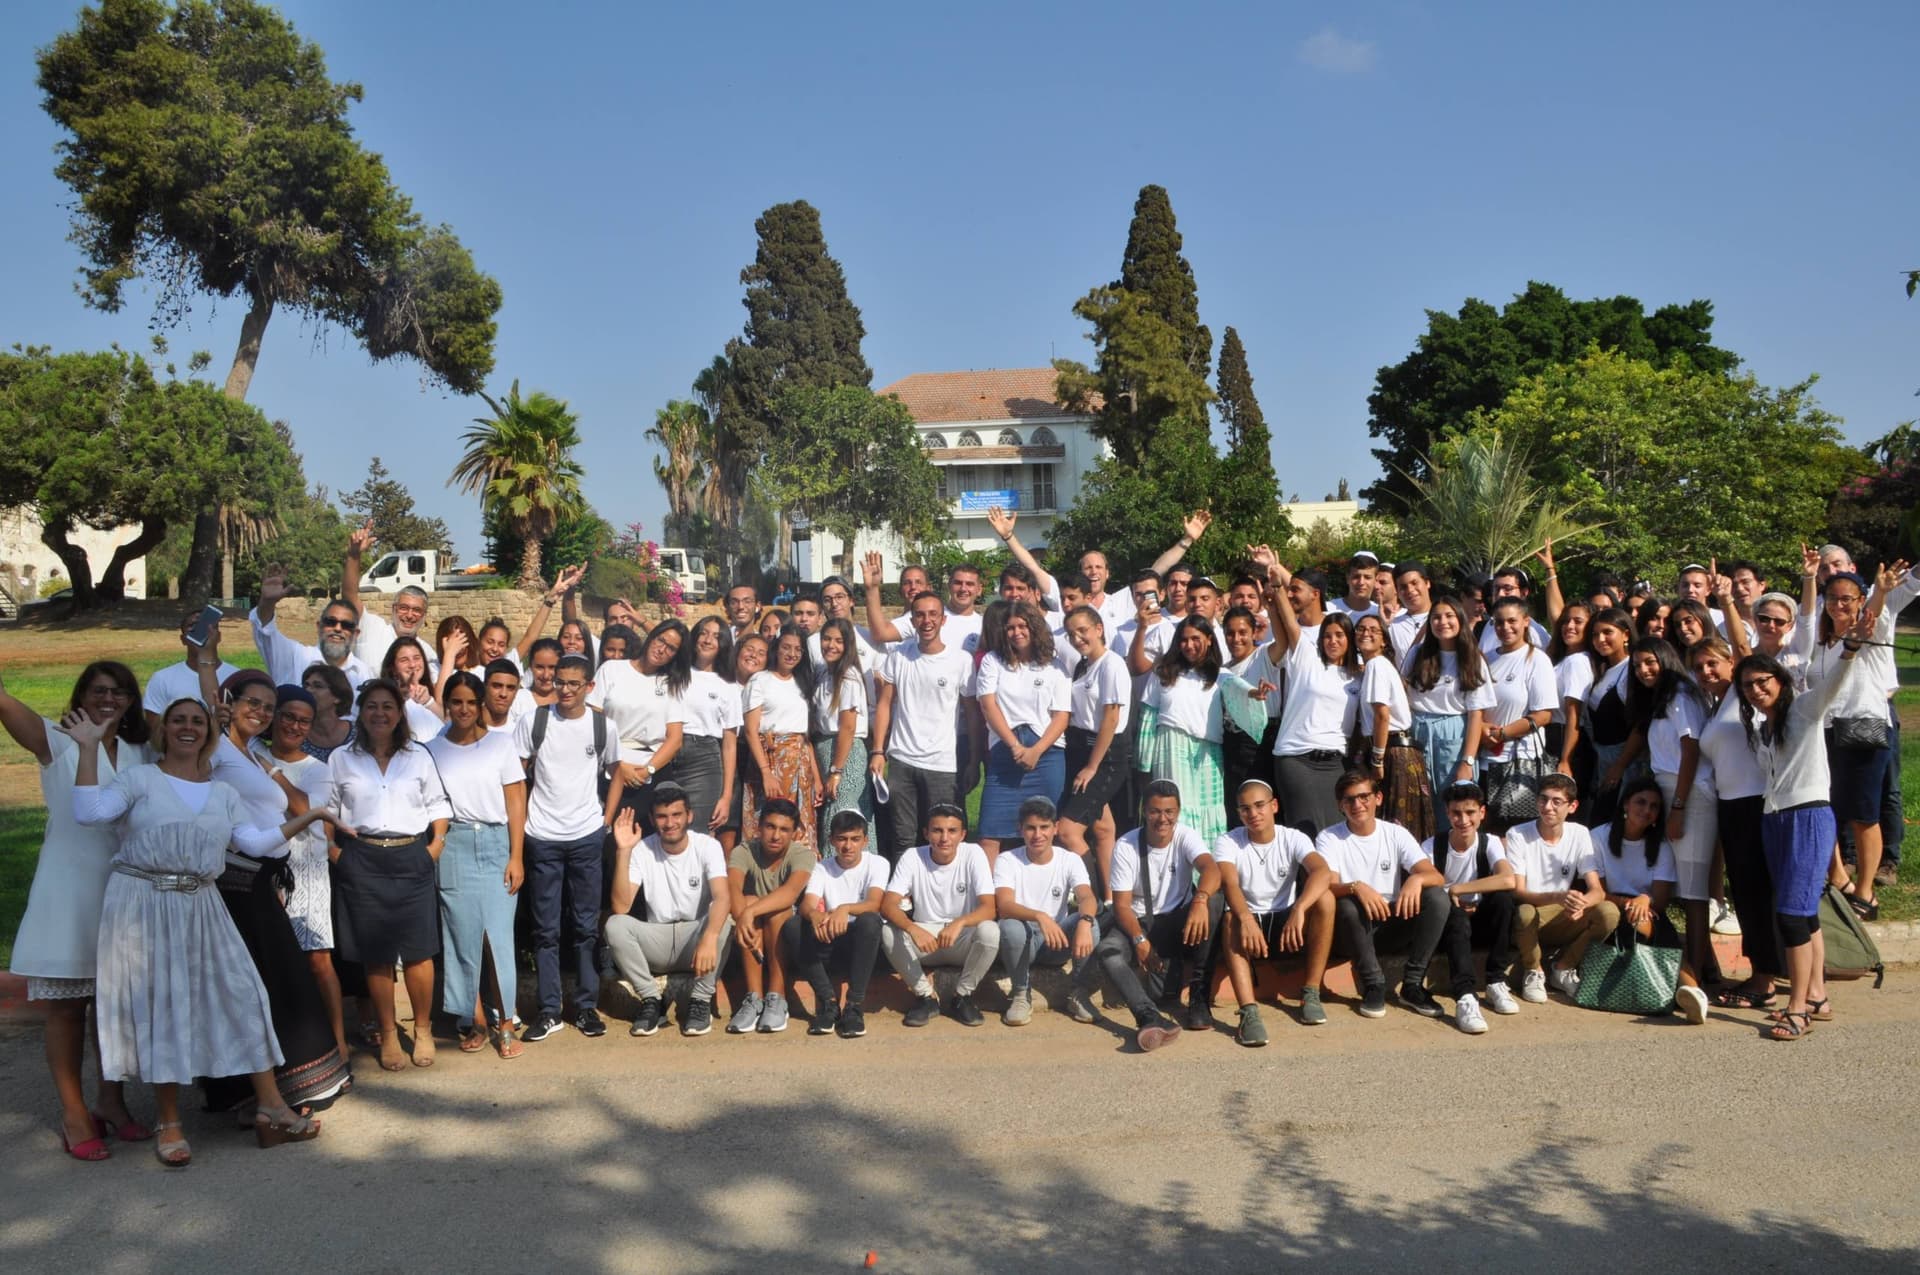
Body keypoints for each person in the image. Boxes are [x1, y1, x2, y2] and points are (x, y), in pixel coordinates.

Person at [71, 698, 335, 1164]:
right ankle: (168, 1122)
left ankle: (271, 1106)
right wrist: (89, 749)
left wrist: (309, 818)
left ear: (209, 732)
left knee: (245, 993)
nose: (187, 728)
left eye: (197, 721)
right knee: (164, 1006)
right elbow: (90, 813)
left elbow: (252, 842)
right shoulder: (140, 779)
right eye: (178, 720)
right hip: (144, 902)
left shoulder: (222, 793)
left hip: (202, 902)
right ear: (165, 729)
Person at [2, 662, 153, 1160]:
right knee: (67, 1008)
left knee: (115, 1010)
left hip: (125, 891)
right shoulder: (56, 739)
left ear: (132, 701)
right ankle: (73, 1114)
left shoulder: (140, 752)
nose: (110, 699)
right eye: (99, 691)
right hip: (68, 890)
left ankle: (112, 1102)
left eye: (120, 693)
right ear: (82, 695)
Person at [201, 666, 351, 1112]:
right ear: (231, 703)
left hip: (265, 878)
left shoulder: (250, 754)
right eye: (255, 704)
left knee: (275, 984)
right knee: (261, 985)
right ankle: (254, 1093)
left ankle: (273, 1088)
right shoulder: (218, 750)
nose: (262, 714)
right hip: (236, 879)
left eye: (267, 707)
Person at [1735, 607, 1873, 1040]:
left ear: (1781, 681)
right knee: (1803, 914)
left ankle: (1797, 1009)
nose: (1757, 691)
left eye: (1763, 682)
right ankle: (1816, 997)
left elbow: (1833, 683)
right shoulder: (1763, 730)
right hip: (1775, 819)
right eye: (1748, 687)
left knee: (1792, 916)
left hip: (1807, 817)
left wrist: (1850, 646)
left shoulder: (1805, 712)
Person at [327, 678, 452, 1070]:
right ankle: (386, 1034)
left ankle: (423, 1029)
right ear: (360, 713)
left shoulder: (418, 756)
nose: (380, 713)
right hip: (361, 859)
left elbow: (438, 804)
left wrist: (435, 847)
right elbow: (326, 810)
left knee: (419, 952)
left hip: (410, 855)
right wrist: (335, 854)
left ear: (400, 714)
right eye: (372, 707)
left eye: (388, 707)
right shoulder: (341, 758)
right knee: (376, 956)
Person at [1792, 553, 1916, 918]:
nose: (1839, 605)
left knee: (1863, 814)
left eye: (1848, 598)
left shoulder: (1871, 632)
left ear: (1860, 602)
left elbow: (1873, 616)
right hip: (1824, 734)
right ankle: (1839, 878)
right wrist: (1810, 579)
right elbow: (1807, 617)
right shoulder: (1823, 643)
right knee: (1825, 808)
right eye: (1834, 599)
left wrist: (1880, 592)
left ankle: (1866, 892)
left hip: (1864, 730)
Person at [515, 654, 622, 1043]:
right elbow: (517, 774)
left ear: (589, 686)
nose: (564, 689)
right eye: (559, 682)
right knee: (545, 929)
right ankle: (548, 1011)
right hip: (542, 836)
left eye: (573, 684)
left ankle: (587, 1007)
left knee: (584, 927)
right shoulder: (534, 721)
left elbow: (617, 773)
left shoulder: (601, 726)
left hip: (586, 836)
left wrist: (605, 822)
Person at [423, 672, 528, 1060]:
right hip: (454, 845)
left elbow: (516, 800)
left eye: (471, 701)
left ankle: (506, 1023)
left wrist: (517, 855)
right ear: (447, 704)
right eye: (456, 702)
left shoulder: (501, 745)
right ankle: (475, 1021)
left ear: (481, 703)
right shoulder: (432, 750)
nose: (464, 709)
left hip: (497, 843)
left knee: (497, 939)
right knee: (462, 939)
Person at [1068, 781, 1215, 1045]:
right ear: (1144, 812)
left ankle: (1199, 998)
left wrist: (1200, 900)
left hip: (1177, 920)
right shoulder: (1126, 845)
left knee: (1214, 902)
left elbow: (1211, 868)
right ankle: (1148, 1016)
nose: (1162, 819)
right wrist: (1139, 940)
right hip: (1137, 921)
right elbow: (1122, 906)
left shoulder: (1186, 835)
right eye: (1155, 811)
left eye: (1169, 811)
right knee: (1108, 951)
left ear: (1178, 812)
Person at [253, 686, 347, 1066]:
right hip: (264, 865)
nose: (294, 725)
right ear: (273, 717)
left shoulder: (317, 769)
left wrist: (272, 772)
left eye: (303, 721)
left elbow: (306, 810)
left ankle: (338, 1042)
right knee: (273, 961)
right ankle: (283, 1048)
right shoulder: (248, 754)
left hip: (307, 867)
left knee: (318, 959)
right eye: (287, 716)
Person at [868, 561, 981, 862]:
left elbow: (972, 715)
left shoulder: (960, 661)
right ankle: (903, 898)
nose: (926, 620)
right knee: (903, 835)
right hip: (902, 760)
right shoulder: (900, 657)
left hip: (943, 763)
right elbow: (884, 705)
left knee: (944, 834)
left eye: (933, 614)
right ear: (912, 620)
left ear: (943, 620)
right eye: (920, 615)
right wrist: (878, 751)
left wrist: (973, 759)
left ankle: (946, 895)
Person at [1316, 770, 1451, 1020]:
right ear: (1340, 805)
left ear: (1378, 798)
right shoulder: (1329, 837)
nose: (1358, 805)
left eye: (1364, 796)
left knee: (1436, 897)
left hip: (1392, 921)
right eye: (1349, 800)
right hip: (1352, 929)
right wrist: (1357, 886)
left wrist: (1416, 878)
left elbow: (1436, 876)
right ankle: (1374, 984)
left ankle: (1412, 984)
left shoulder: (1395, 833)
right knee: (1346, 904)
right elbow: (1327, 885)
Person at [1625, 636, 1720, 984]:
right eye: (1637, 665)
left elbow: (1690, 751)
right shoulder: (1663, 697)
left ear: (1666, 659)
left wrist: (1678, 807)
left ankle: (1695, 975)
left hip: (1691, 794)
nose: (1643, 670)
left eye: (1650, 662)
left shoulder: (1680, 695)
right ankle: (1705, 966)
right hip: (1672, 790)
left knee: (1694, 892)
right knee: (1688, 889)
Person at [606, 784, 734, 1038]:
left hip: (695, 940)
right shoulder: (642, 849)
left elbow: (722, 896)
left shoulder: (707, 846)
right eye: (662, 816)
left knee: (723, 919)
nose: (670, 823)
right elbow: (621, 906)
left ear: (689, 816)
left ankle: (700, 1001)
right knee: (615, 924)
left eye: (676, 815)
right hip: (659, 938)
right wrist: (623, 851)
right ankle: (651, 1001)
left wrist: (708, 937)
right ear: (653, 820)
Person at [1215, 780, 1336, 1042]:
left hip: (1286, 925)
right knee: (1229, 918)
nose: (1253, 814)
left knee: (1325, 900)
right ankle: (1248, 1012)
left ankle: (1310, 993)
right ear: (1238, 813)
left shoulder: (1293, 837)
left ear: (1274, 806)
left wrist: (1300, 908)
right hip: (1250, 925)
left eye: (1260, 806)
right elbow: (1229, 882)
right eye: (1245, 809)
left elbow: (1321, 871)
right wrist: (1245, 917)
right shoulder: (1228, 841)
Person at [1693, 636, 1779, 1005]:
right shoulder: (1719, 704)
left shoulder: (1744, 696)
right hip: (1731, 806)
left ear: (1732, 662)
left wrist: (1726, 601)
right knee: (1746, 893)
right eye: (1698, 667)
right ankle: (1766, 972)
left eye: (1713, 663)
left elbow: (1747, 649)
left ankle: (1764, 981)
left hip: (1754, 804)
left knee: (1757, 894)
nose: (1706, 672)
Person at [1137, 613, 1267, 844]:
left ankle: (1210, 873)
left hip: (1208, 752)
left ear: (1208, 639)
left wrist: (1254, 694)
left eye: (1195, 639)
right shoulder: (1163, 673)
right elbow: (1148, 717)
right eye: (1184, 640)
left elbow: (1238, 688)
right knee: (1177, 809)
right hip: (1171, 746)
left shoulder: (1219, 674)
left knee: (1209, 811)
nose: (1189, 645)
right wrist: (1144, 764)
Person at [1256, 548, 1358, 837]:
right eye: (1327, 636)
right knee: (1307, 832)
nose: (1333, 640)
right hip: (1296, 758)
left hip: (1336, 761)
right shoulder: (1305, 655)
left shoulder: (1359, 673)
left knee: (1337, 833)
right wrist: (1276, 583)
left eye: (1340, 635)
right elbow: (1289, 620)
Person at [1588, 777, 1705, 1023]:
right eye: (1640, 802)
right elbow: (1598, 891)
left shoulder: (1661, 845)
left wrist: (1644, 899)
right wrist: (1628, 903)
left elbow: (1660, 900)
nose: (1647, 810)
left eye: (1654, 806)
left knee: (1651, 922)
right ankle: (1691, 989)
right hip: (1608, 906)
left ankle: (1693, 996)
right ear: (1625, 805)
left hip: (1647, 909)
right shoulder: (1598, 836)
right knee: (1640, 921)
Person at [879, 805, 1001, 1027]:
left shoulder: (973, 853)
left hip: (961, 937)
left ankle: (963, 996)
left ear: (963, 834)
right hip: (926, 938)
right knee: (888, 931)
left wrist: (960, 922)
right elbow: (888, 905)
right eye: (937, 830)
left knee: (990, 931)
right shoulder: (912, 856)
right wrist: (913, 928)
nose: (945, 838)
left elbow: (989, 908)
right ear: (926, 833)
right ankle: (926, 997)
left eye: (952, 831)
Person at [975, 600, 1071, 858]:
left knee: (1047, 833)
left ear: (1035, 627)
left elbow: (1062, 716)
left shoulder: (1055, 666)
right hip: (1006, 754)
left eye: (1022, 626)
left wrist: (1036, 751)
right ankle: (988, 898)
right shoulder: (993, 661)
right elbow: (988, 704)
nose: (1016, 632)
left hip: (1047, 756)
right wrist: (1015, 746)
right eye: (1010, 628)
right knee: (989, 835)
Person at [1507, 774, 1613, 1003]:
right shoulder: (1517, 834)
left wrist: (1580, 903)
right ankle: (1533, 970)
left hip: (1562, 915)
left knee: (1608, 912)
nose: (1548, 807)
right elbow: (1518, 891)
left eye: (1556, 802)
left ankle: (1563, 967)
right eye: (1543, 799)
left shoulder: (1580, 833)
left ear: (1572, 806)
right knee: (1525, 911)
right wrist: (1557, 896)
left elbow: (1597, 890)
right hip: (1529, 916)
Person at [992, 797, 1099, 1026]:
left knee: (1091, 923)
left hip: (1056, 941)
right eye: (1031, 827)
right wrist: (1039, 916)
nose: (1037, 834)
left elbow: (1087, 897)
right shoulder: (1007, 860)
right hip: (1023, 941)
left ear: (1056, 828)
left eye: (1044, 827)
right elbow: (1005, 905)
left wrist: (1084, 921)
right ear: (1020, 829)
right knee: (1009, 925)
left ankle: (1078, 992)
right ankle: (1021, 993)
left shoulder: (1069, 859)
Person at [1429, 782, 1521, 1034]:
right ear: (1447, 813)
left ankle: (1495, 980)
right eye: (1456, 813)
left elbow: (1508, 878)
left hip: (1481, 921)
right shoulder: (1433, 846)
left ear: (1482, 813)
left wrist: (1461, 888)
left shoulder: (1489, 842)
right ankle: (1466, 997)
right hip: (1449, 926)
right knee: (1456, 917)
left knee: (1503, 900)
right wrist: (1453, 896)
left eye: (1470, 812)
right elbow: (1428, 890)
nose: (1463, 820)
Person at [1057, 605, 1132, 898]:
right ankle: (1113, 899)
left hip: (1104, 754)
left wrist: (1092, 766)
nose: (1077, 638)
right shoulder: (1084, 664)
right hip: (1079, 748)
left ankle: (1093, 897)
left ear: (1099, 628)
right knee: (1102, 830)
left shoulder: (1111, 664)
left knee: (1068, 831)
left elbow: (1111, 718)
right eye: (1071, 633)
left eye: (1083, 631)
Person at [1403, 596, 1494, 830]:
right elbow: (1402, 692)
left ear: (1460, 620)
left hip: (1454, 736)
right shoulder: (1417, 654)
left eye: (1449, 616)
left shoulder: (1473, 659)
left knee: (1452, 806)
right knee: (1417, 805)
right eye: (1436, 617)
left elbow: (1476, 715)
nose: (1442, 622)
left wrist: (1467, 760)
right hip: (1417, 732)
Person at [725, 799, 816, 1034]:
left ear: (794, 833)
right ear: (759, 827)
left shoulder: (803, 854)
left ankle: (777, 997)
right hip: (751, 936)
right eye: (770, 827)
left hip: (788, 935)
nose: (776, 835)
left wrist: (749, 913)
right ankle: (754, 998)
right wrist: (744, 915)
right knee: (748, 900)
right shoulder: (743, 850)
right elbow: (732, 886)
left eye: (784, 829)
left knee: (775, 910)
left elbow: (789, 893)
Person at [798, 810, 891, 1038]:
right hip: (830, 939)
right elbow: (806, 905)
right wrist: (815, 915)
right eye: (842, 839)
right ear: (832, 841)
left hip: (863, 944)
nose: (848, 846)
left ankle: (853, 1006)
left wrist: (845, 908)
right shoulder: (823, 867)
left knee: (870, 920)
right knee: (793, 926)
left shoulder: (877, 863)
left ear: (865, 841)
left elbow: (874, 903)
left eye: (855, 839)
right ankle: (828, 1003)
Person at [588, 619, 689, 829]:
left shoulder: (670, 683)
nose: (662, 650)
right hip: (609, 764)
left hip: (649, 771)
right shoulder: (612, 669)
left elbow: (675, 738)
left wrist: (647, 771)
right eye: (661, 640)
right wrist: (617, 764)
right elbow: (593, 720)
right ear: (652, 636)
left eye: (671, 648)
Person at [1477, 597, 1559, 833]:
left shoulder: (1536, 659)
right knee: (1487, 831)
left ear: (1526, 622)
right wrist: (1481, 729)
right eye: (1499, 622)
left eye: (1512, 621)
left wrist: (1503, 733)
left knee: (1515, 832)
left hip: (1520, 760)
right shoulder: (1487, 659)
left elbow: (1544, 714)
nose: (1505, 628)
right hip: (1485, 760)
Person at [1353, 613, 1432, 845]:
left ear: (1384, 640)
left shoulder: (1377, 665)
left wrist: (1377, 759)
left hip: (1392, 750)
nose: (1366, 633)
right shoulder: (1374, 667)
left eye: (1373, 630)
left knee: (1394, 824)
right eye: (1360, 629)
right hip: (1395, 748)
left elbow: (1381, 715)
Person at [744, 626, 822, 848]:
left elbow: (804, 737)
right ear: (776, 648)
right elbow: (751, 730)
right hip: (769, 760)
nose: (792, 654)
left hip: (800, 762)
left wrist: (816, 777)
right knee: (768, 824)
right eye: (786, 647)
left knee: (800, 827)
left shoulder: (802, 682)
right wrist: (766, 773)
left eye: (798, 649)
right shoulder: (760, 680)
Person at [666, 615, 741, 841]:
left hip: (703, 760)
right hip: (664, 753)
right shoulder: (674, 671)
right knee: (664, 829)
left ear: (724, 645)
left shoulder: (728, 686)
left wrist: (726, 797)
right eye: (704, 633)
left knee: (696, 834)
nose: (708, 640)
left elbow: (729, 745)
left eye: (716, 637)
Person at [340, 519, 438, 677]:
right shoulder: (371, 628)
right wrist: (354, 555)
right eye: (404, 608)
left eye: (417, 610)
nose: (409, 615)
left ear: (424, 615)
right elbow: (349, 596)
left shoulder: (427, 654)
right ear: (394, 609)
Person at [811, 616, 874, 849]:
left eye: (838, 641)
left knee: (843, 816)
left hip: (844, 753)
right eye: (827, 639)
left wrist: (836, 770)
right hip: (826, 748)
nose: (831, 645)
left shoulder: (848, 676)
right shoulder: (824, 672)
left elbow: (847, 726)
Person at [1583, 608, 1640, 826]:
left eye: (1608, 632)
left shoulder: (1631, 669)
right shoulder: (1604, 669)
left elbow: (1639, 724)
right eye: (1595, 635)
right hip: (1602, 761)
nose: (1600, 639)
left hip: (1626, 764)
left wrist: (1621, 765)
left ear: (1626, 634)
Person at [142, 609, 238, 737]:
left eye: (208, 626)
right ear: (183, 639)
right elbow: (154, 731)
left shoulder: (237, 677)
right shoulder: (162, 678)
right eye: (192, 626)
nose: (201, 630)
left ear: (219, 637)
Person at [380, 634, 445, 738]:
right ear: (393, 668)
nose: (412, 665)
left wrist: (429, 702)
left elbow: (450, 724)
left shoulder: (431, 693)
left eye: (417, 658)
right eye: (404, 660)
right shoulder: (386, 697)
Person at [1388, 562, 1435, 656]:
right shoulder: (1393, 626)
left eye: (1414, 583)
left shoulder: (1444, 619)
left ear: (1427, 583)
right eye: (1403, 587)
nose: (1410, 590)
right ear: (1397, 591)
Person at [1327, 551, 1380, 619]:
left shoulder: (1379, 613)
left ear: (1375, 580)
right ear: (1347, 578)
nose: (1361, 582)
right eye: (1356, 577)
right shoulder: (1329, 610)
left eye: (1367, 577)